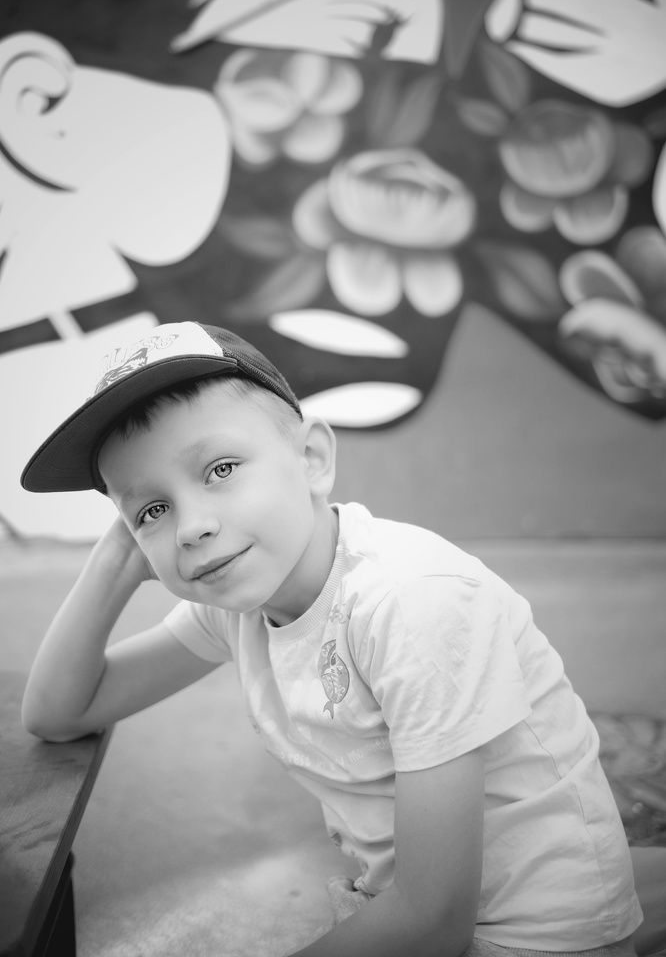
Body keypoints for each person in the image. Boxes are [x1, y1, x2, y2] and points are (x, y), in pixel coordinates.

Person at [20, 320, 643, 957]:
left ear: (312, 458)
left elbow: (434, 919)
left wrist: (146, 513)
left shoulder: (410, 601)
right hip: (413, 913)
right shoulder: (239, 604)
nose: (190, 527)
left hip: (536, 935)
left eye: (220, 468)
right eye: (152, 510)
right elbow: (58, 712)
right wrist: (115, 562)